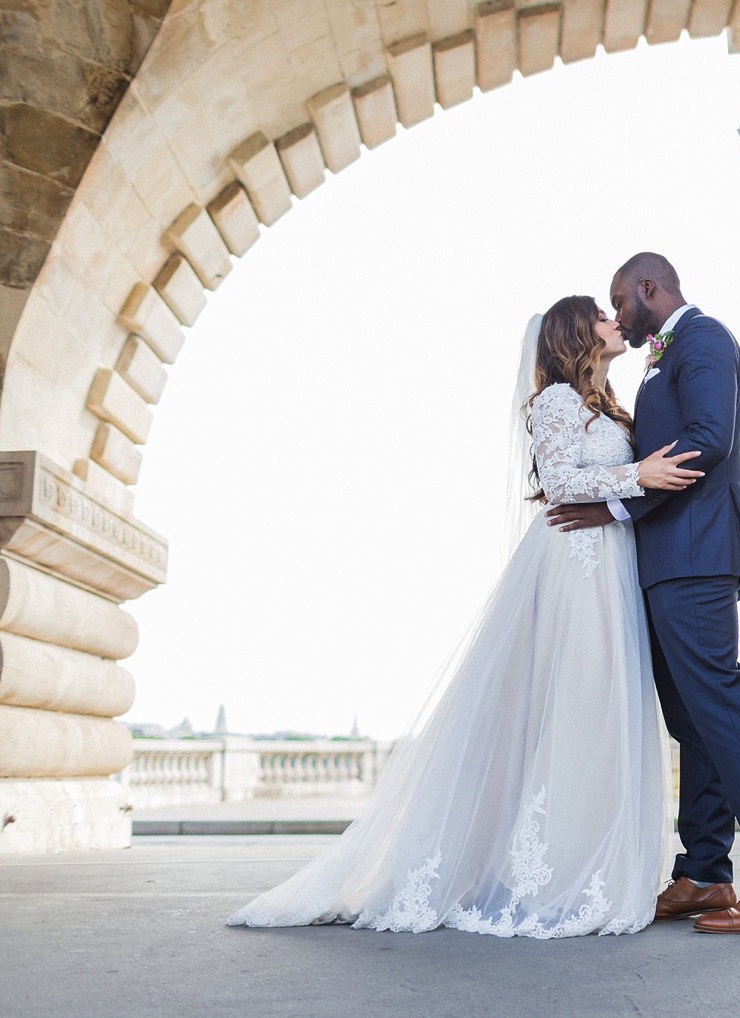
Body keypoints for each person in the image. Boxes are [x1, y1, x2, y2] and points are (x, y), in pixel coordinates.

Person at [227, 296, 702, 938]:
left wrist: (634, 474)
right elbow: (560, 482)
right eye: (600, 315)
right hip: (574, 567)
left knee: (599, 707)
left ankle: (578, 861)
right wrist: (637, 472)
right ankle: (550, 871)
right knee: (574, 704)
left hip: (606, 564)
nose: (616, 322)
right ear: (573, 334)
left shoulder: (605, 404)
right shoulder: (558, 401)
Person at [547, 252, 740, 934]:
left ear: (650, 288)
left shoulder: (703, 340)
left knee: (722, 708)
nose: (616, 316)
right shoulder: (664, 357)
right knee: (693, 723)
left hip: (695, 556)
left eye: (620, 300)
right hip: (667, 560)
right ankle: (704, 873)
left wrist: (615, 505)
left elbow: (710, 439)